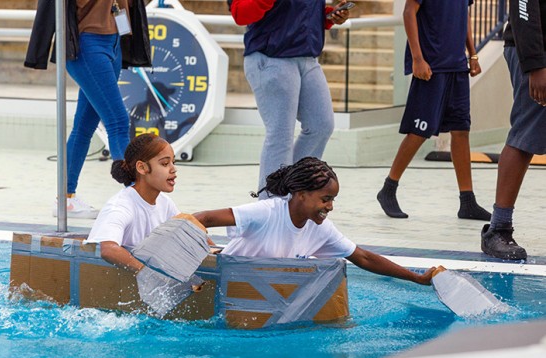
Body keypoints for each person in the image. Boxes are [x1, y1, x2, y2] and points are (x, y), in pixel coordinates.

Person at [193, 157, 436, 285]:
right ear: (301, 194)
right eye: (325, 199)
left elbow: (363, 258)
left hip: (261, 294)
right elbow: (202, 218)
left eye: (333, 200)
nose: (330, 207)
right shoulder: (266, 212)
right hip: (220, 285)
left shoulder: (321, 230)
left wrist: (416, 278)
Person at [25, 0, 151, 218]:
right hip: (87, 45)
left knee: (84, 127)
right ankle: (137, 199)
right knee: (118, 121)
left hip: (114, 41)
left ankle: (66, 198)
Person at [376, 0, 491, 221]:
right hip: (431, 67)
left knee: (461, 130)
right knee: (419, 131)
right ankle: (388, 189)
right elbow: (409, 12)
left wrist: (473, 54)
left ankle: (467, 201)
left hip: (457, 66)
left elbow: (464, 16)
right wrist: (417, 59)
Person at [228, 0, 350, 197]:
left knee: (321, 126)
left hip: (307, 58)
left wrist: (329, 16)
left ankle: (294, 189)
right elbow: (240, 14)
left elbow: (299, 10)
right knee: (280, 134)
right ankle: (271, 202)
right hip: (271, 57)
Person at [480, 0, 546, 261]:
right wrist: (535, 65)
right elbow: (523, 7)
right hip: (536, 55)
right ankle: (498, 229)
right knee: (525, 135)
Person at [85, 133, 179, 272]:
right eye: (165, 164)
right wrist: (148, 274)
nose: (173, 169)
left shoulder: (165, 203)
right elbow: (108, 250)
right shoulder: (120, 206)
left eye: (173, 162)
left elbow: (185, 234)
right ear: (142, 168)